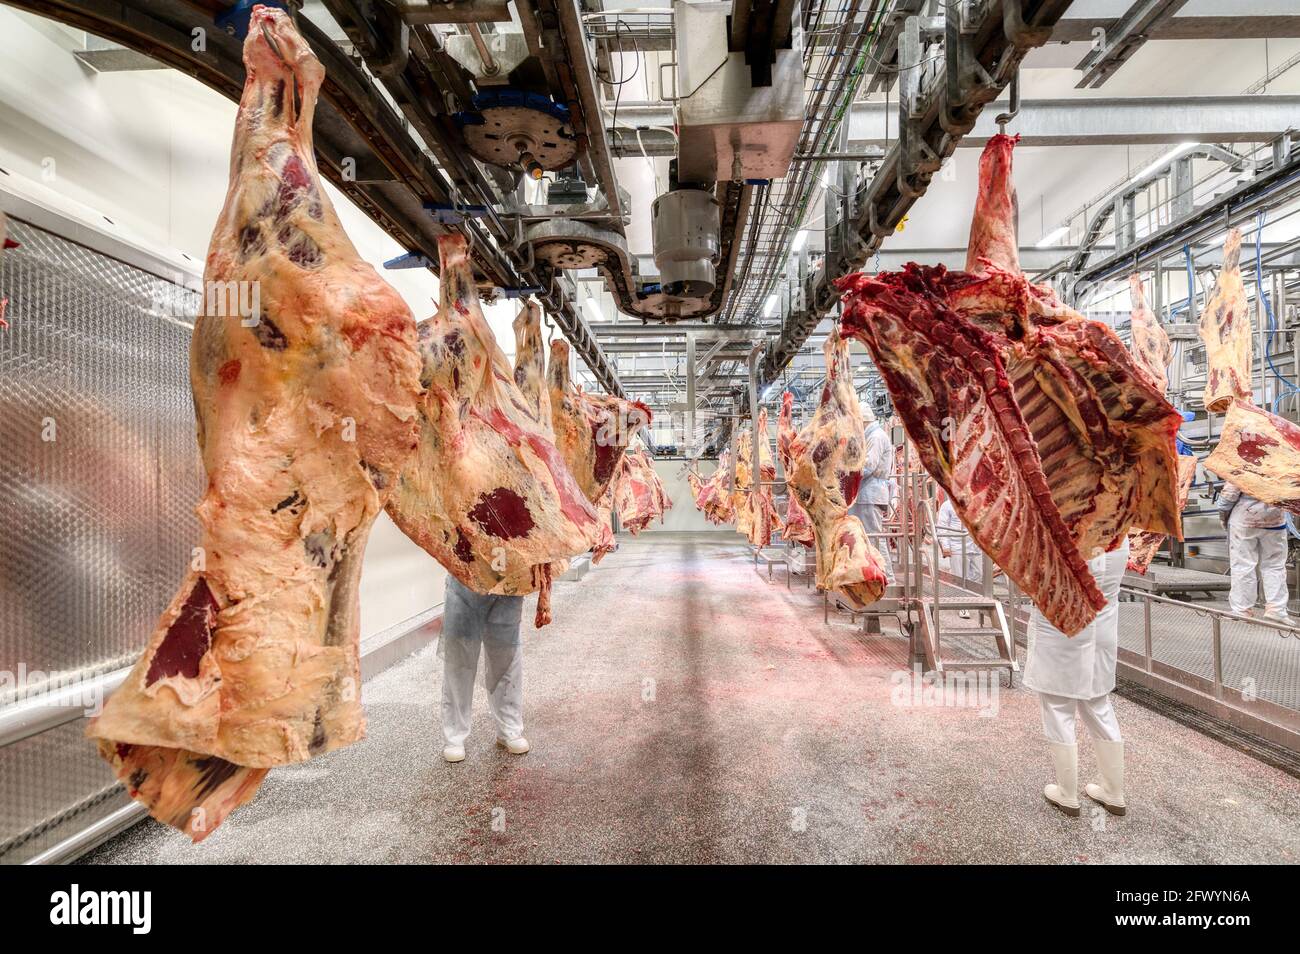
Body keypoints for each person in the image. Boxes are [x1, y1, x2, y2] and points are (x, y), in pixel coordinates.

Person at [1023, 539, 1130, 818]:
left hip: (1062, 626)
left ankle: (1068, 794)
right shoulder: (1121, 536)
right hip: (1102, 628)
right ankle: (1113, 791)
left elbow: (1036, 575)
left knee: (1059, 707)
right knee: (1098, 704)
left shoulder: (1064, 532)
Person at [439, 576, 530, 763]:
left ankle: (509, 729)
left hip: (509, 578)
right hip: (465, 574)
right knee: (459, 658)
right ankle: (454, 735)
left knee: (507, 657)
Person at [1218, 482, 1293, 623]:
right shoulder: (1283, 462)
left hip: (1243, 519)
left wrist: (1222, 513)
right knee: (1275, 565)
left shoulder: (1244, 460)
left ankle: (1242, 609)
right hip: (1275, 519)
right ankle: (1276, 609)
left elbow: (1229, 494)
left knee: (1243, 565)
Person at [851, 402, 895, 583]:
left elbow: (869, 465)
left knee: (873, 537)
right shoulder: (871, 436)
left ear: (863, 422)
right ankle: (871, 577)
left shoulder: (876, 436)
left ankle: (888, 578)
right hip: (865, 494)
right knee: (864, 537)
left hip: (870, 493)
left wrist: (848, 471)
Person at [935, 489, 979, 617]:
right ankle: (962, 605)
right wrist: (946, 546)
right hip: (957, 547)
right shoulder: (947, 506)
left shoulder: (974, 502)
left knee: (978, 575)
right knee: (959, 577)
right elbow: (942, 526)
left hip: (974, 545)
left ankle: (970, 599)